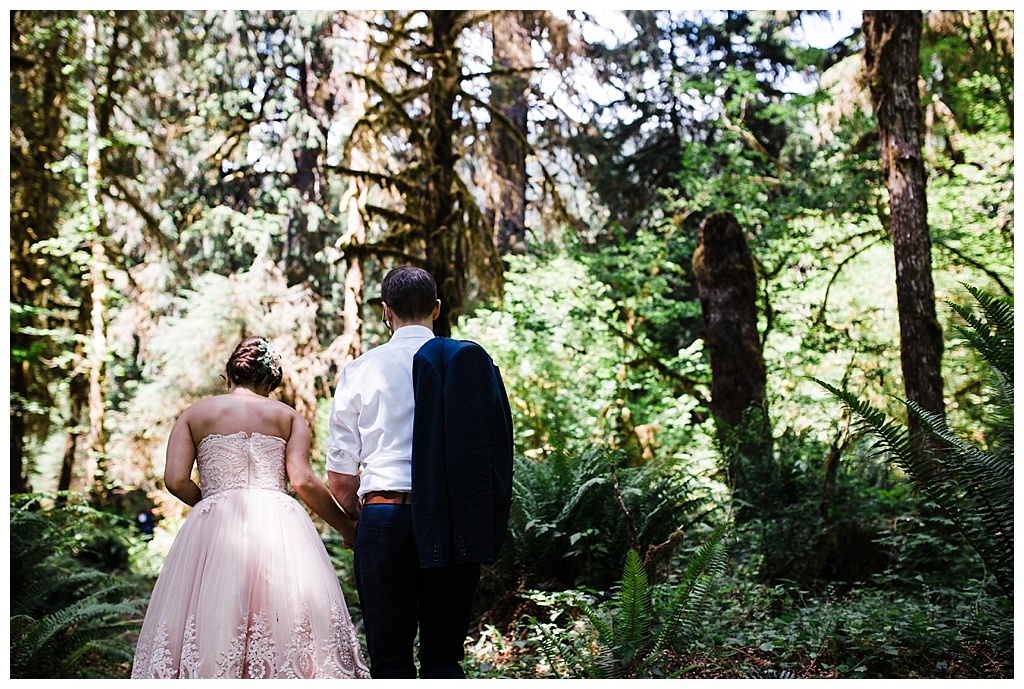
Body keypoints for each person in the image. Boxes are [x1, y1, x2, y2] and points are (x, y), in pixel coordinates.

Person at [131, 337, 370, 679]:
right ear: (270, 382)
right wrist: (347, 527)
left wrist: (211, 503)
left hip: (216, 524)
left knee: (214, 614)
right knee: (284, 615)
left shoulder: (195, 415)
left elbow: (175, 479)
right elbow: (302, 480)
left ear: (229, 377)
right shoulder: (287, 416)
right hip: (279, 525)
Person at [327, 265, 513, 679]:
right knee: (443, 659)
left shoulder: (359, 370)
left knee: (390, 662)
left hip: (384, 517)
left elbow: (340, 481)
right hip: (451, 520)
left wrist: (358, 523)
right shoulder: (465, 363)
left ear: (385, 311)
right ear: (437, 308)